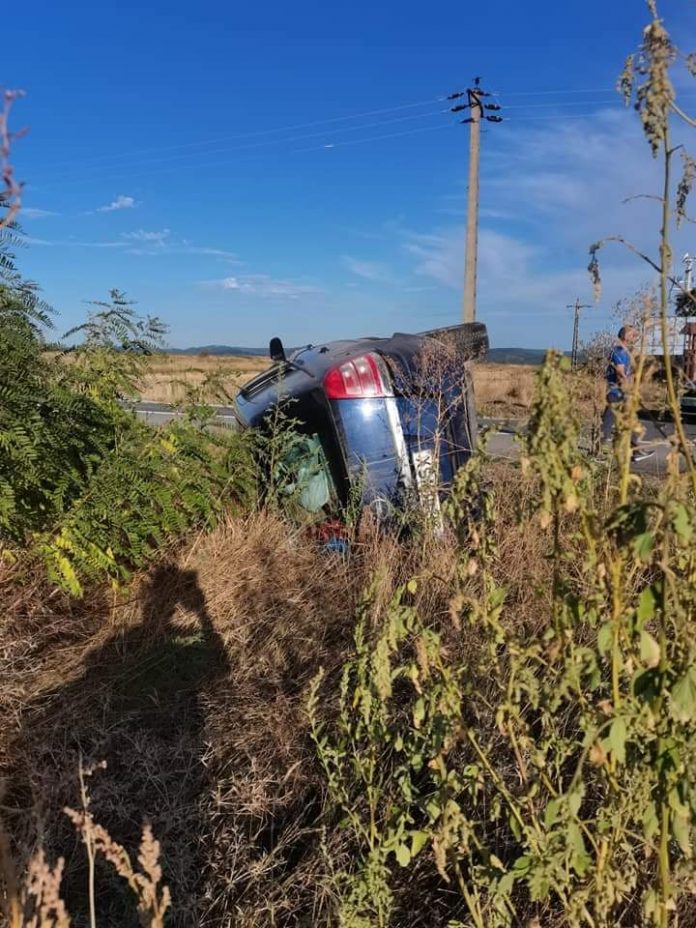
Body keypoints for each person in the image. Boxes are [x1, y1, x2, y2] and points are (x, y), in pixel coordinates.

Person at [601, 325, 654, 463]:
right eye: (632, 335)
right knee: (609, 420)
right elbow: (620, 373)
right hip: (615, 392)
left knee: (628, 420)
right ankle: (602, 451)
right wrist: (627, 386)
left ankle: (635, 450)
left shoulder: (625, 352)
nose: (634, 337)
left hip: (621, 393)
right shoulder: (618, 351)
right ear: (624, 336)